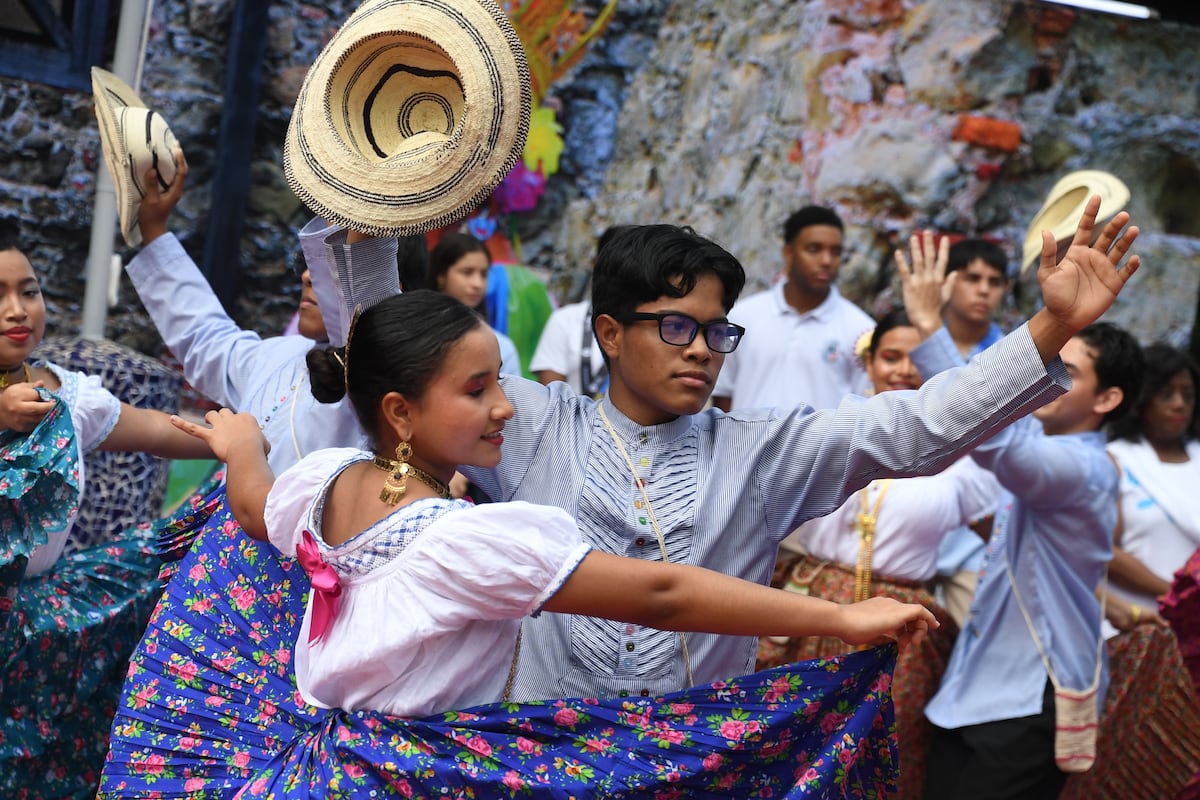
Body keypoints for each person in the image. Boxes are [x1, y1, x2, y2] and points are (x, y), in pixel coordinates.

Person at [108, 289, 932, 798]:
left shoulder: (326, 482)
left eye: (500, 378)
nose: (507, 405)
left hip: (320, 765)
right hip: (406, 778)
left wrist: (240, 445)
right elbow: (661, 593)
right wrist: (848, 619)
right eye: (478, 389)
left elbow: (252, 507)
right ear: (400, 411)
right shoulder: (462, 545)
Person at [451, 197, 1141, 704]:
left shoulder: (760, 451)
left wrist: (1054, 324)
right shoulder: (528, 421)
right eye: (674, 326)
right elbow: (410, 371)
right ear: (608, 332)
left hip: (702, 763)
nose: (700, 348)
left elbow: (919, 425)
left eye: (717, 332)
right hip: (537, 753)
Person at [893, 226, 1144, 799]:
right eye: (1048, 361)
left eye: (1067, 371)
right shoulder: (1046, 443)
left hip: (1032, 697)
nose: (1048, 377)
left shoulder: (1085, 468)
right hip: (973, 689)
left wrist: (933, 326)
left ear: (1106, 401)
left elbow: (996, 444)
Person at [755, 302, 1002, 800]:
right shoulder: (826, 430)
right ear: (868, 362)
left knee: (887, 742)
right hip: (809, 607)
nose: (905, 369)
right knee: (784, 738)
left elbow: (1002, 538)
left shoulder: (964, 458)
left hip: (902, 626)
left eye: (917, 358)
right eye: (891, 356)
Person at [0, 231, 216, 797]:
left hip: (34, 631)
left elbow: (155, 430)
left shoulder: (64, 396)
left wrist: (249, 440)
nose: (17, 310)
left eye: (30, 291)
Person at [126, 147, 404, 475]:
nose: (306, 277)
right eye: (310, 263)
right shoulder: (280, 354)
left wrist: (373, 200)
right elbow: (207, 338)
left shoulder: (386, 382)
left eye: (332, 266)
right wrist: (153, 230)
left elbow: (369, 308)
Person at [712, 205, 873, 412]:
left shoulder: (862, 330)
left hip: (824, 446)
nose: (826, 261)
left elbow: (865, 410)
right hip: (745, 444)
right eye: (814, 249)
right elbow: (723, 393)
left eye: (836, 252)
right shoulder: (742, 317)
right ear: (788, 253)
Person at [931, 237, 1012, 626]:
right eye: (972, 277)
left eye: (994, 281)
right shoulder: (909, 341)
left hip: (979, 528)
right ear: (948, 282)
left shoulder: (1017, 354)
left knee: (974, 639)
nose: (983, 289)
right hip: (905, 516)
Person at [1106, 343, 1200, 616]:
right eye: (1166, 394)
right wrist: (1178, 595)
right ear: (1139, 400)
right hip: (1142, 621)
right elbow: (1104, 551)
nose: (1179, 404)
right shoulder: (1116, 460)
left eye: (1188, 395)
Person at [529, 228, 621, 396]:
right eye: (617, 264)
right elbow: (551, 400)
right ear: (595, 264)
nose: (624, 274)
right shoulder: (565, 320)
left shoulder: (654, 324)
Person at [428, 231, 521, 375]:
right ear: (441, 276)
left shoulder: (501, 347)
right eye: (467, 272)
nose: (478, 284)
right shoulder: (417, 335)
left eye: (483, 274)